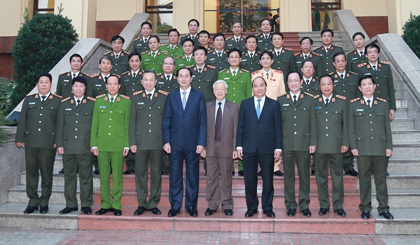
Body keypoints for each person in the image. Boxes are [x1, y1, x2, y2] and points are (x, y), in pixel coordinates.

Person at [15, 73, 62, 214]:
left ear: (51, 85)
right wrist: (19, 138)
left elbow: (59, 124)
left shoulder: (57, 101)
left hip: (48, 143)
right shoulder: (29, 100)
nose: (43, 84)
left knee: (47, 174)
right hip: (31, 142)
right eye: (41, 82)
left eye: (46, 82)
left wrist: (58, 141)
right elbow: (22, 120)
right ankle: (33, 200)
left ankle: (44, 201)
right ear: (37, 84)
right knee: (31, 173)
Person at [162, 67, 207, 217]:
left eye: (186, 76)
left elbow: (202, 121)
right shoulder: (171, 96)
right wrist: (166, 140)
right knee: (175, 175)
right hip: (174, 143)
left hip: (193, 143)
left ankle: (191, 206)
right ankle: (175, 205)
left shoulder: (199, 96)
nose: (183, 78)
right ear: (177, 78)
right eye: (180, 76)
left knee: (192, 176)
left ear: (191, 78)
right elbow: (166, 119)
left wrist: (201, 142)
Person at [237, 76, 283, 218]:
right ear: (253, 88)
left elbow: (278, 128)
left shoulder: (274, 104)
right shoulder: (245, 104)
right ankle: (252, 207)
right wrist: (239, 146)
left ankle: (268, 207)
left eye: (261, 85)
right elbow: (241, 126)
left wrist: (278, 148)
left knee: (268, 180)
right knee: (249, 180)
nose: (259, 88)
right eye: (256, 86)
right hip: (248, 147)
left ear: (265, 87)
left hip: (267, 148)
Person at [349, 75, 394, 220]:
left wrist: (389, 146)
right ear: (360, 88)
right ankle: (366, 208)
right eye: (364, 84)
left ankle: (383, 208)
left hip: (380, 148)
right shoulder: (354, 105)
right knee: (364, 180)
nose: (367, 87)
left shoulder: (383, 104)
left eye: (370, 84)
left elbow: (387, 128)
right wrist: (354, 146)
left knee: (381, 179)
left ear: (374, 87)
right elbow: (351, 129)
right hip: (363, 148)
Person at [90, 75, 131, 216]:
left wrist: (126, 144)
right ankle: (105, 203)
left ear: (119, 86)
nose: (112, 86)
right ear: (106, 86)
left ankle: (116, 204)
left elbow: (127, 125)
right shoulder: (99, 101)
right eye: (110, 84)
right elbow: (95, 123)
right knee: (104, 176)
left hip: (118, 144)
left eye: (115, 84)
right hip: (102, 144)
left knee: (118, 176)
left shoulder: (126, 102)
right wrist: (94, 144)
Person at [129, 70, 168, 216]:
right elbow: (132, 121)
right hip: (140, 142)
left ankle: (153, 203)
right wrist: (132, 142)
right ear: (141, 82)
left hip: (158, 142)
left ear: (156, 82)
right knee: (140, 173)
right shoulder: (135, 98)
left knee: (157, 173)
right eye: (146, 80)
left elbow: (166, 122)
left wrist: (166, 141)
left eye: (151, 80)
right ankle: (142, 203)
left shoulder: (163, 98)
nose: (148, 82)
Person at [278, 71, 316, 217]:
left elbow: (313, 122)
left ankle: (304, 204)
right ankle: (290, 205)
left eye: (296, 81)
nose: (293, 83)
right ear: (287, 84)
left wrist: (312, 142)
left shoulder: (309, 100)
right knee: (288, 176)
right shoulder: (281, 100)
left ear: (301, 82)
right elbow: (278, 125)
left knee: (304, 176)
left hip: (304, 144)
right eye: (290, 81)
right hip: (287, 144)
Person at [56, 76, 95, 215]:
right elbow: (60, 125)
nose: (78, 89)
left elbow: (95, 126)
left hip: (85, 146)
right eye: (76, 86)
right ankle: (71, 204)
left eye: (81, 86)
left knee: (86, 177)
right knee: (69, 177)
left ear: (85, 88)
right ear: (72, 88)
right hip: (68, 147)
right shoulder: (64, 103)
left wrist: (94, 144)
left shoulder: (91, 104)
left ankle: (86, 204)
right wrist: (59, 144)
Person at [312, 74, 348, 217]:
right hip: (319, 146)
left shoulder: (342, 102)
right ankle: (324, 205)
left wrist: (346, 142)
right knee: (321, 177)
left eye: (329, 84)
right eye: (323, 84)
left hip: (336, 145)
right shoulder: (314, 101)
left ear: (333, 85)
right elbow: (312, 125)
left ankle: (338, 205)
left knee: (337, 176)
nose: (326, 87)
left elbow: (346, 124)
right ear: (319, 86)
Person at [201, 80, 239, 216]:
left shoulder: (234, 107)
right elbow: (203, 128)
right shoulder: (207, 107)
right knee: (211, 177)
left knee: (227, 176)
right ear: (213, 91)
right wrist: (203, 146)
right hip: (210, 146)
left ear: (226, 91)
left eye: (222, 89)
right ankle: (212, 204)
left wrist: (235, 148)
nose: (219, 91)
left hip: (227, 147)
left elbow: (236, 130)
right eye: (217, 89)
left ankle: (227, 204)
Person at [218, 48, 252, 176]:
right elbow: (219, 92)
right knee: (227, 138)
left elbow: (248, 94)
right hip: (225, 111)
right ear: (227, 59)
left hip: (241, 111)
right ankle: (229, 166)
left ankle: (242, 165)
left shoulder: (246, 74)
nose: (234, 59)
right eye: (231, 57)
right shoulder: (222, 74)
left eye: (236, 57)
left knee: (241, 137)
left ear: (240, 59)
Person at [55, 53, 91, 175]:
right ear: (70, 63)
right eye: (73, 61)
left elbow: (89, 95)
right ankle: (67, 167)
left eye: (78, 61)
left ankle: (80, 166)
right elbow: (59, 96)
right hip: (67, 112)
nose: (76, 63)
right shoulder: (62, 77)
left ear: (82, 64)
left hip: (81, 111)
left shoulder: (87, 78)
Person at [251, 50, 285, 177]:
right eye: (263, 58)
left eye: (268, 58)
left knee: (274, 137)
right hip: (259, 111)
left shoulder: (279, 74)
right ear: (260, 61)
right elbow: (252, 93)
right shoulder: (254, 74)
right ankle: (262, 166)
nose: (265, 60)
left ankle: (276, 166)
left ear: (272, 60)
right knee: (260, 138)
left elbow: (282, 94)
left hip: (273, 110)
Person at [330, 52, 359, 176]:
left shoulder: (354, 77)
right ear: (334, 63)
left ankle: (348, 166)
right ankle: (336, 164)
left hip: (350, 112)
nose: (340, 63)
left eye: (342, 61)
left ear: (346, 62)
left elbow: (358, 95)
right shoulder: (330, 78)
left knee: (349, 138)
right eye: (338, 61)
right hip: (335, 112)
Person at [357, 43, 396, 121]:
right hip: (368, 104)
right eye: (370, 52)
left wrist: (392, 107)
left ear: (379, 54)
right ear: (366, 55)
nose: (372, 54)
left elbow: (390, 87)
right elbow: (359, 89)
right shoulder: (361, 68)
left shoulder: (386, 67)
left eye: (375, 52)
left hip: (385, 103)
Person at [119, 52, 144, 175]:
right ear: (129, 63)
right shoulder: (124, 77)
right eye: (132, 61)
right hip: (127, 110)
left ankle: (140, 163)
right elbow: (122, 94)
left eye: (136, 61)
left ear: (140, 62)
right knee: (128, 136)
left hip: (141, 110)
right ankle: (130, 164)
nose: (134, 63)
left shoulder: (145, 76)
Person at [156, 56, 179, 175]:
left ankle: (171, 167)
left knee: (173, 141)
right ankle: (161, 167)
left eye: (171, 64)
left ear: (174, 67)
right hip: (159, 113)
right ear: (162, 65)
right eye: (166, 63)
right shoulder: (157, 79)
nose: (168, 66)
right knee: (161, 140)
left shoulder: (178, 79)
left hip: (176, 114)